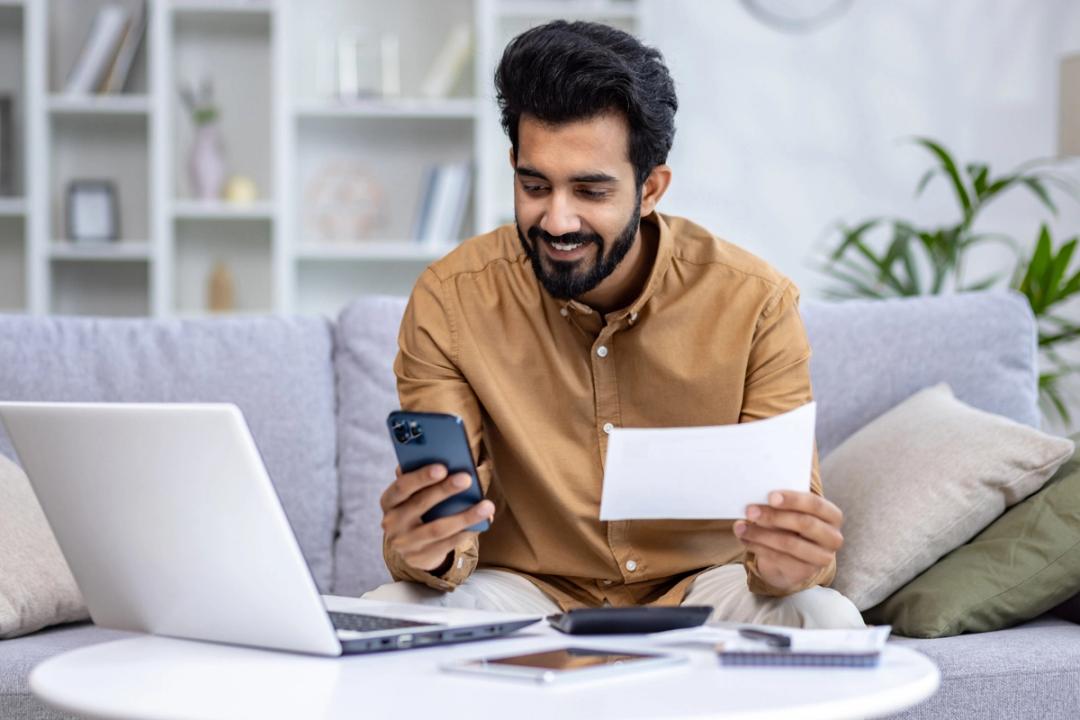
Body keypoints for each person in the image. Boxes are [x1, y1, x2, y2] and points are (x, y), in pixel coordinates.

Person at [364, 20, 863, 629]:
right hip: (528, 593)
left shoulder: (755, 303)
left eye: (590, 191)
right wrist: (427, 549)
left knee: (824, 617)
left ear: (650, 187)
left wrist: (792, 563)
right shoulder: (451, 300)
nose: (557, 220)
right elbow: (444, 523)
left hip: (704, 592)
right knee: (390, 614)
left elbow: (789, 523)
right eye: (534, 185)